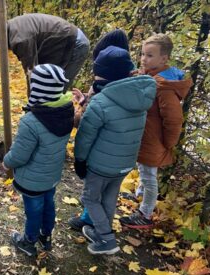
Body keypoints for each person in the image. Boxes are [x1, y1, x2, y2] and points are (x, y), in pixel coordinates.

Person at [74, 46, 156, 254]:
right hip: (124, 164)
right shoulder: (140, 98)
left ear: (106, 75)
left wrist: (80, 160)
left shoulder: (101, 102)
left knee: (90, 198)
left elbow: (85, 136)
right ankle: (102, 231)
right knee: (109, 199)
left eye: (97, 72)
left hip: (100, 165)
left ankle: (107, 240)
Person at [119, 33, 192, 229]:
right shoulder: (153, 77)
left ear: (164, 58)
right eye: (143, 54)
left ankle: (145, 213)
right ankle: (140, 196)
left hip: (155, 139)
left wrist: (168, 143)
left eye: (150, 56)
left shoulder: (164, 87)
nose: (144, 59)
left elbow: (174, 119)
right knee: (144, 170)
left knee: (149, 176)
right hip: (147, 136)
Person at [2, 64, 74, 256]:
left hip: (32, 181)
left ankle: (29, 241)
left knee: (33, 211)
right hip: (51, 176)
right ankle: (46, 236)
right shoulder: (66, 111)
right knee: (49, 205)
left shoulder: (31, 122)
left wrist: (6, 162)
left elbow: (19, 154)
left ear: (37, 90)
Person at [68, 29, 133, 231]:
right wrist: (84, 100)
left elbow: (90, 124)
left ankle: (96, 225)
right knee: (109, 193)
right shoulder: (131, 88)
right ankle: (99, 216)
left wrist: (70, 117)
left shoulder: (102, 90)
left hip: (99, 154)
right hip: (122, 156)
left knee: (93, 193)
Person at [0, 13, 90, 92]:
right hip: (66, 41)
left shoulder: (20, 40)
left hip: (75, 44)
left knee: (55, 91)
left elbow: (32, 74)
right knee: (49, 90)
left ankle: (51, 122)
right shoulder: (13, 27)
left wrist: (31, 107)